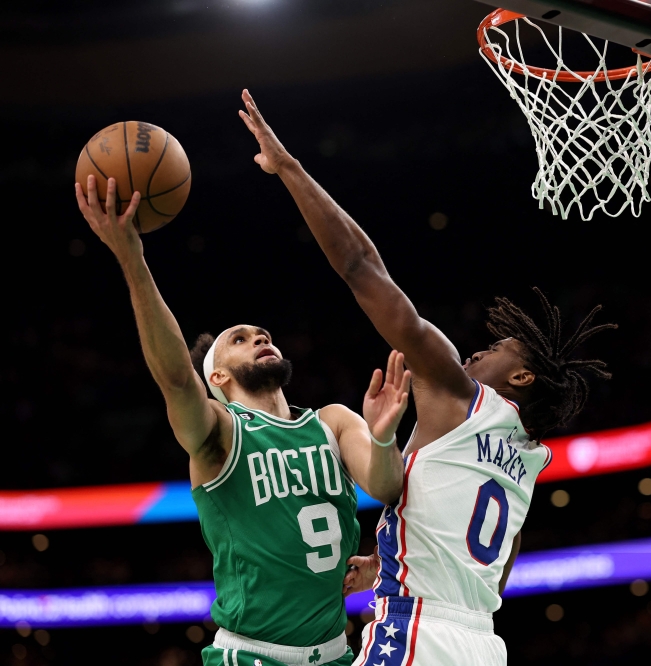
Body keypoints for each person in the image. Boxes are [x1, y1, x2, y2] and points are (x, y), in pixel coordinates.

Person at [238, 89, 616, 665]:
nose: (473, 356)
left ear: (520, 377)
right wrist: (390, 561)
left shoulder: (459, 392)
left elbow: (361, 267)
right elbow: (499, 559)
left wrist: (289, 167)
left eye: (493, 349)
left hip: (417, 632)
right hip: (483, 642)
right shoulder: (530, 455)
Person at [74, 174, 412, 666]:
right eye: (239, 338)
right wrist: (133, 257)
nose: (258, 336)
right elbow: (174, 381)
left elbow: (385, 484)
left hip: (338, 653)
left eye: (261, 333)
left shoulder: (334, 422)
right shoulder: (220, 434)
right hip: (252, 656)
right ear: (217, 375)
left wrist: (383, 437)